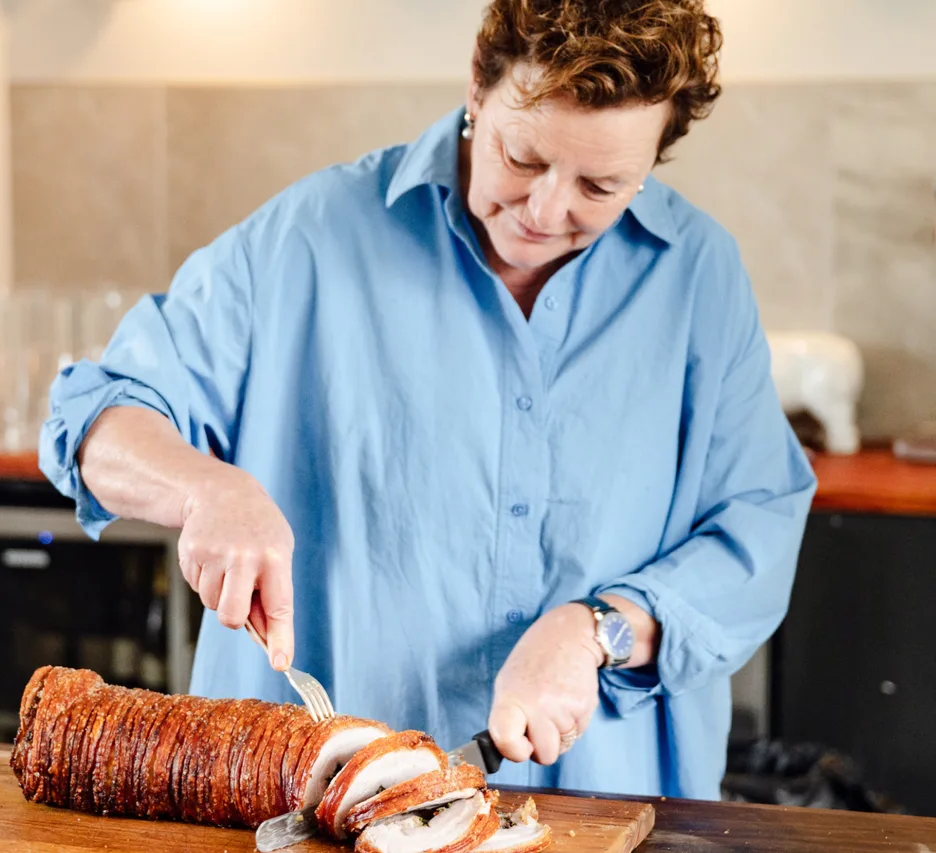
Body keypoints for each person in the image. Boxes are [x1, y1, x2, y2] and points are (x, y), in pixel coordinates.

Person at [40, 0, 817, 799]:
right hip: (311, 805)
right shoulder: (310, 236)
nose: (546, 211)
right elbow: (94, 415)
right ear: (478, 86)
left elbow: (757, 525)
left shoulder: (699, 275)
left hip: (608, 804)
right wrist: (205, 490)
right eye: (522, 157)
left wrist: (599, 629)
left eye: (601, 184)